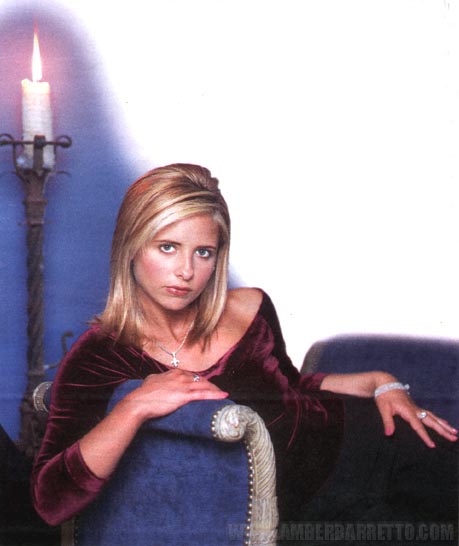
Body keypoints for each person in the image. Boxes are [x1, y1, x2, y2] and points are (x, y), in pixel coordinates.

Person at [31, 164, 458, 545]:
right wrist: (134, 407)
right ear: (131, 246)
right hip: (312, 515)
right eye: (167, 247)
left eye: (203, 252)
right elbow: (49, 500)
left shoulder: (249, 307)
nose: (186, 271)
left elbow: (290, 387)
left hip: (380, 445)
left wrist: (380, 382)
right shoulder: (99, 356)